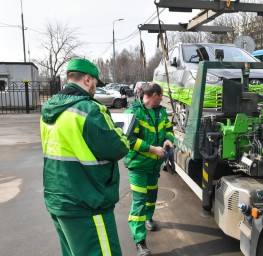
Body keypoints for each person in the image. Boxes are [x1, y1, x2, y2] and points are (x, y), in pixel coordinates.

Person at [40, 58, 129, 256]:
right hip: (87, 203)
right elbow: (118, 148)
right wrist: (121, 133)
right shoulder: (89, 110)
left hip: (59, 200)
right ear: (87, 79)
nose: (95, 89)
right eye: (96, 83)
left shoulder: (49, 111)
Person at [124, 82, 174, 256]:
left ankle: (149, 218)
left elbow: (168, 128)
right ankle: (140, 242)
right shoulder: (133, 113)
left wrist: (168, 140)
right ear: (154, 95)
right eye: (161, 96)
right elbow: (129, 140)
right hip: (138, 166)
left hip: (154, 166)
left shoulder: (160, 112)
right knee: (139, 202)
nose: (162, 100)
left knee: (152, 195)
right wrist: (153, 149)